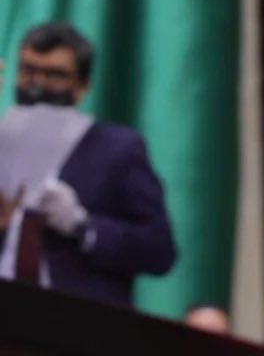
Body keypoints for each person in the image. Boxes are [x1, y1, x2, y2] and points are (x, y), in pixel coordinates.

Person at [0, 21, 176, 306]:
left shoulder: (117, 149)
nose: (38, 84)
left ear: (82, 86)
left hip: (76, 325)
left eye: (54, 75)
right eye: (28, 71)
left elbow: (160, 250)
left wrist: (83, 225)